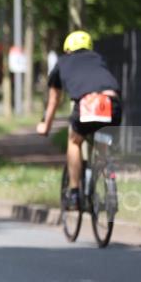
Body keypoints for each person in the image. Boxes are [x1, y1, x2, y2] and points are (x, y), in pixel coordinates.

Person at [36, 30, 123, 209]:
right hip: (112, 102)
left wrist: (45, 126)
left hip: (89, 103)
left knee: (74, 141)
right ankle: (109, 182)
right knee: (102, 144)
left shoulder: (62, 62)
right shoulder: (98, 58)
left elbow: (54, 100)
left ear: (67, 49)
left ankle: (75, 194)